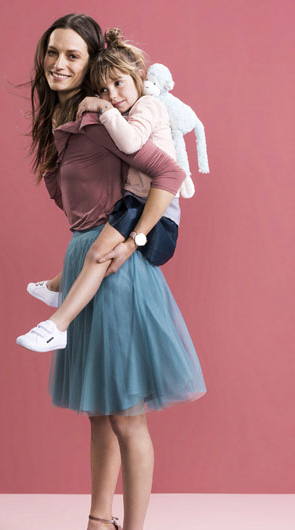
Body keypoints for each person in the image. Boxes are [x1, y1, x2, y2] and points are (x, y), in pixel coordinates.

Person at [17, 13, 207, 530]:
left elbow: (168, 172)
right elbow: (78, 205)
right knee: (99, 413)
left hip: (118, 275)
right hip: (84, 261)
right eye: (53, 52)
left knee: (125, 414)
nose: (59, 64)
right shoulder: (66, 124)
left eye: (73, 55)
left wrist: (136, 238)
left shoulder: (105, 120)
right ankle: (100, 525)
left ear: (92, 63)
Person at [17, 28, 182, 353]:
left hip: (150, 213)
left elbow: (154, 161)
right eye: (103, 90)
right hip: (133, 205)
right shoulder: (120, 115)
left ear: (139, 76)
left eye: (119, 83)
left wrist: (104, 110)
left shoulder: (142, 109)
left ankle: (56, 325)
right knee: (91, 253)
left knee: (96, 255)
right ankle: (55, 288)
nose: (113, 95)